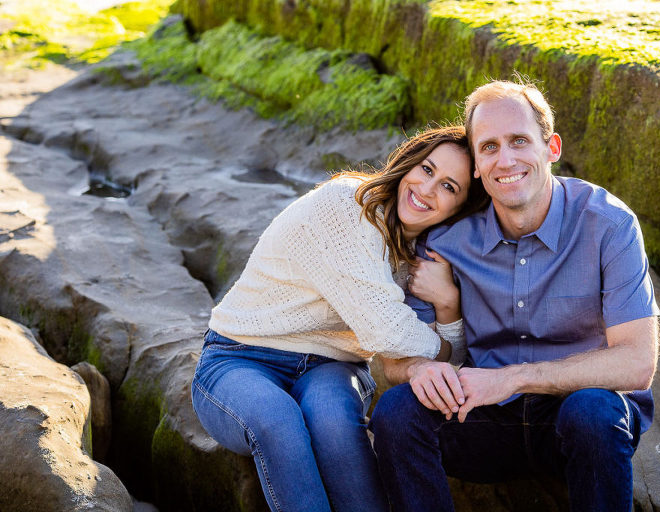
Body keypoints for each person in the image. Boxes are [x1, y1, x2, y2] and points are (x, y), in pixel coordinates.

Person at [370, 79, 660, 512]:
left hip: (576, 418)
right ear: (474, 165)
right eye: (488, 147)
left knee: (594, 413)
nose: (505, 160)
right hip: (484, 419)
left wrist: (511, 378)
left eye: (519, 141)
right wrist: (416, 369)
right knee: (396, 412)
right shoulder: (444, 241)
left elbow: (638, 363)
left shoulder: (609, 225)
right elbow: (390, 360)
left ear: (552, 148)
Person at [190, 126, 487, 512]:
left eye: (450, 187)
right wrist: (448, 345)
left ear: (459, 207)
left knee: (334, 424)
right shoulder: (347, 203)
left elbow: (418, 353)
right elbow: (390, 332)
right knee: (279, 421)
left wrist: (447, 303)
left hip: (332, 367)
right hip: (239, 357)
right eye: (427, 169)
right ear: (408, 163)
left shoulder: (429, 253)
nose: (428, 189)